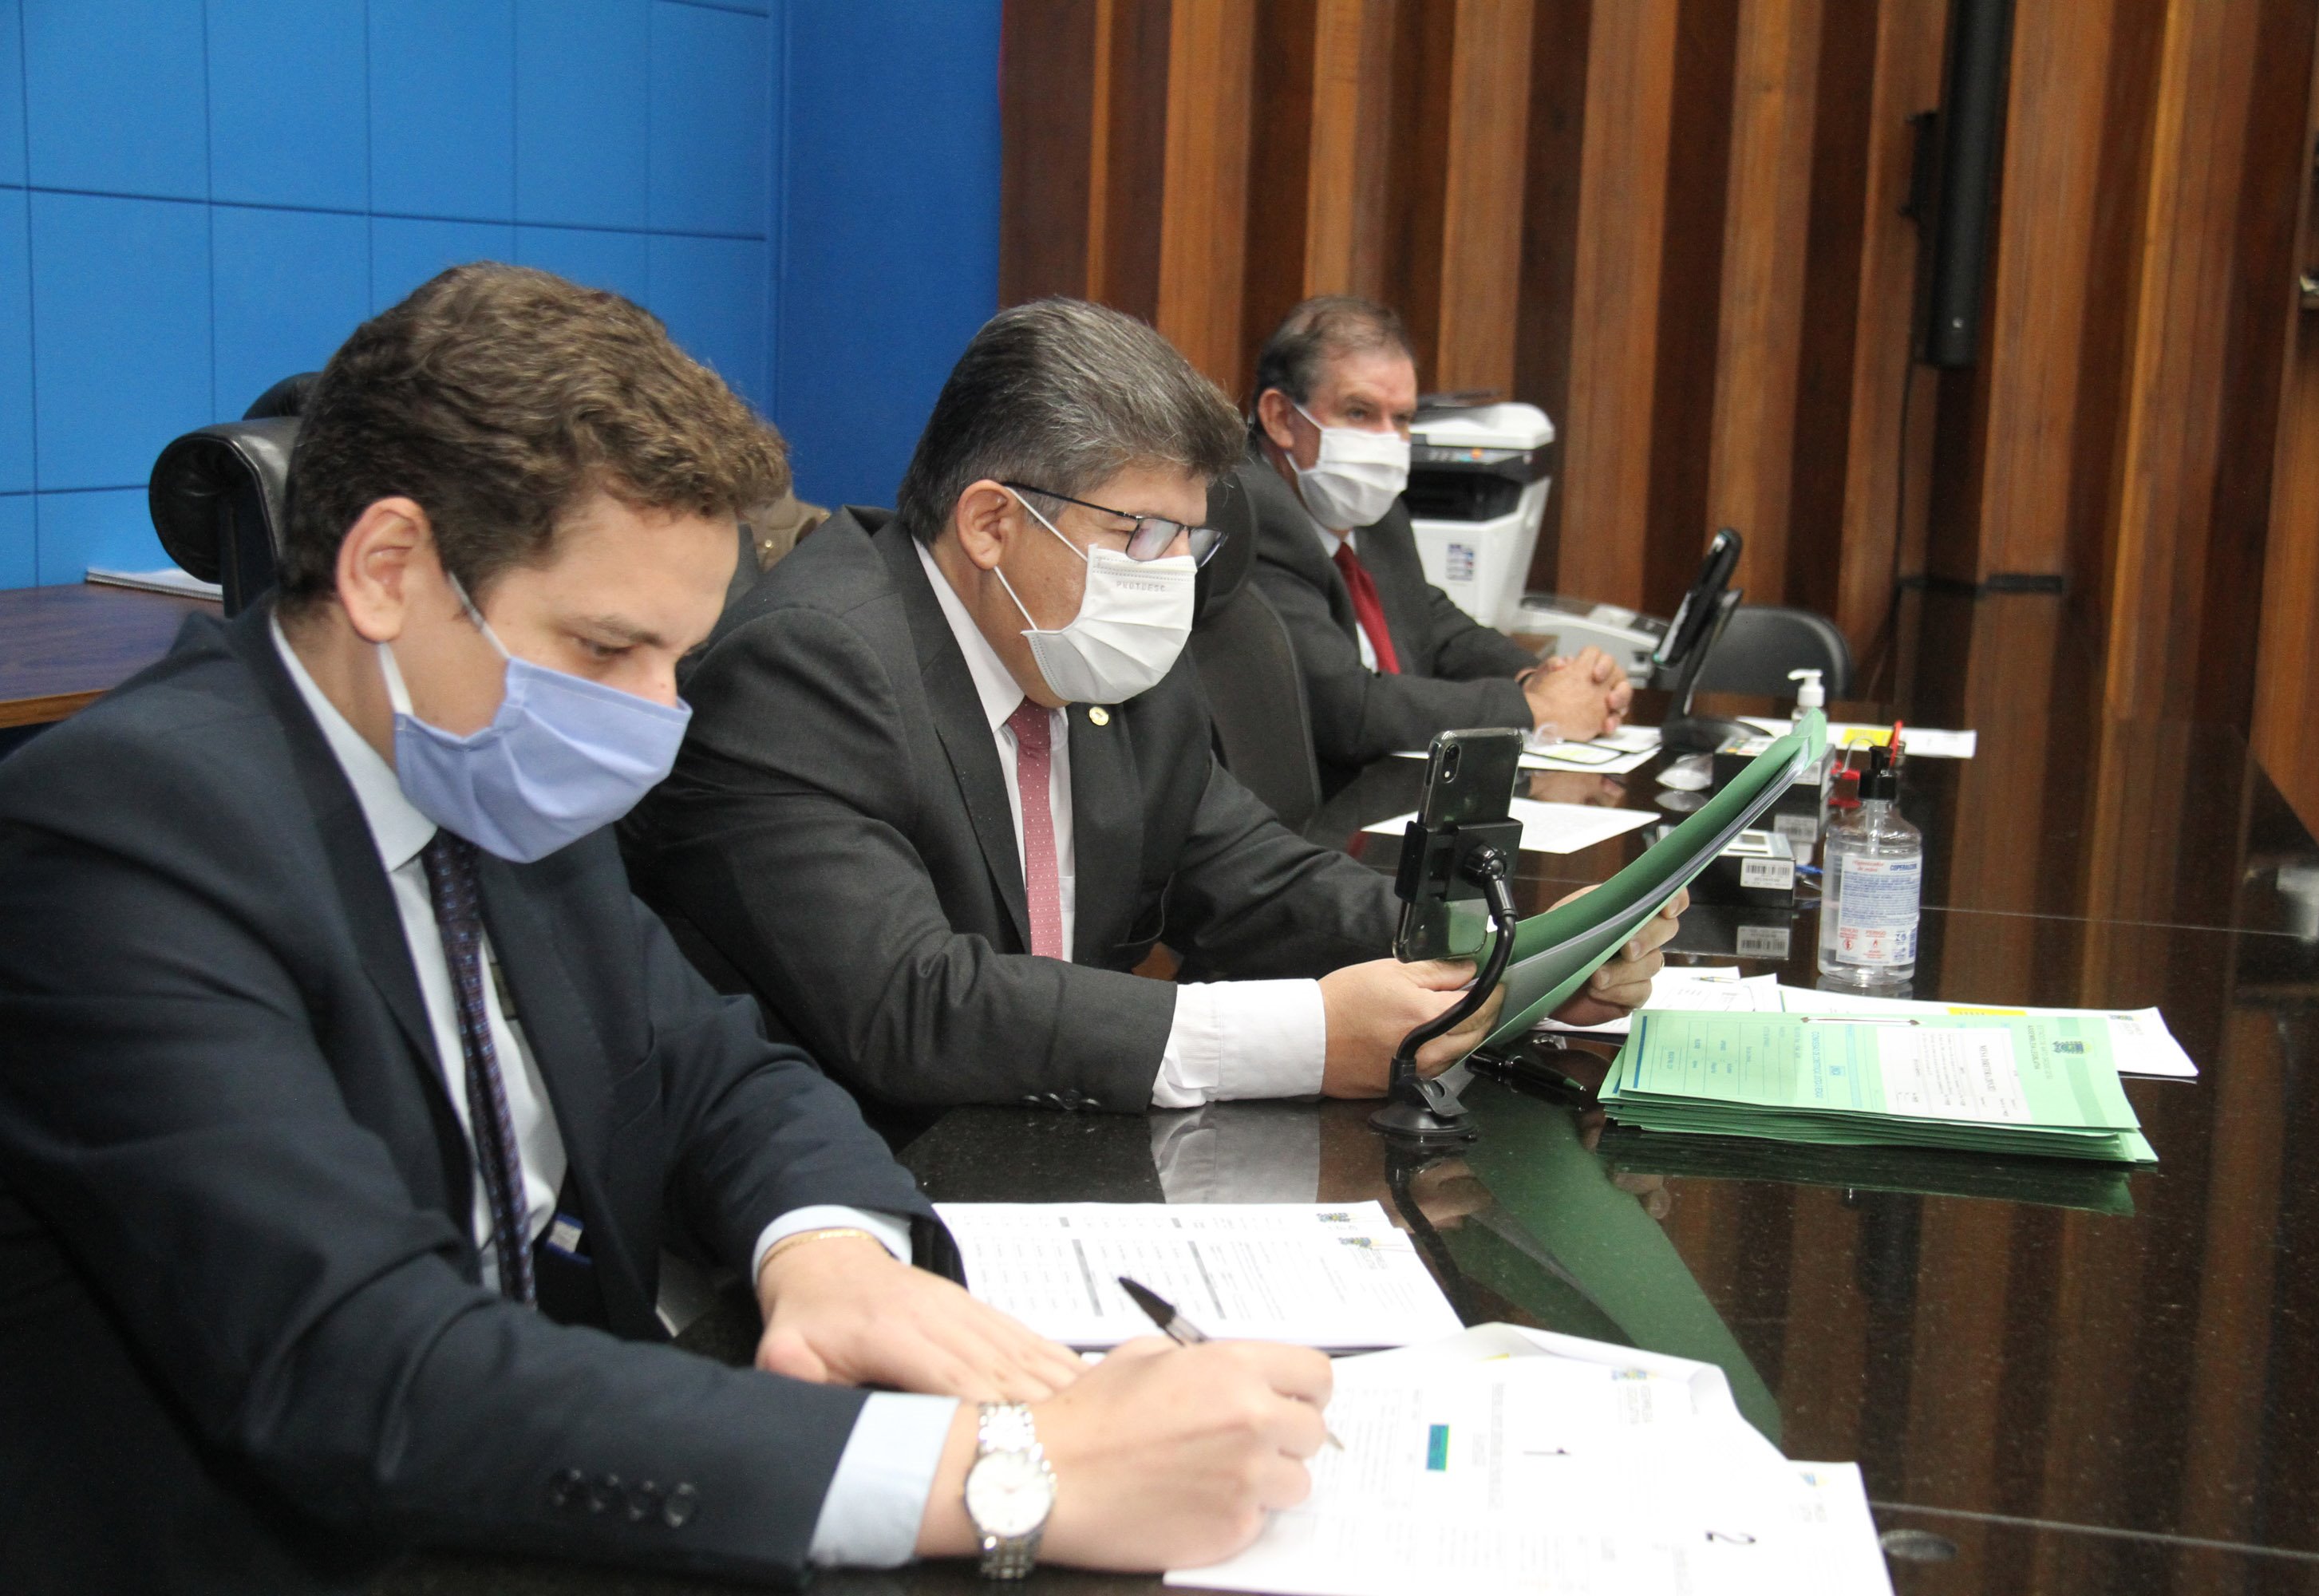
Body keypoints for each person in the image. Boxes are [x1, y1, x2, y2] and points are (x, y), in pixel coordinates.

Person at [0, 267, 1334, 1592]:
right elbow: (365, 1366)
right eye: (605, 649)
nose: (652, 718)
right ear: (389, 572)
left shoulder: (481, 752)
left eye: (674, 658)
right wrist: (998, 1471)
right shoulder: (120, 840)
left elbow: (720, 1069)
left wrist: (827, 1248)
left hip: (569, 1464)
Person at [621, 298, 1680, 1120]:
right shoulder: (814, 665)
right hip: (876, 1186)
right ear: (991, 523)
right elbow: (914, 1004)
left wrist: (1521, 960)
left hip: (1059, 1141)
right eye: (1139, 534)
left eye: (1186, 538)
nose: (1170, 575)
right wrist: (1305, 1034)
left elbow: (1258, 882)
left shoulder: (1092, 652)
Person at [1239, 295, 1634, 798]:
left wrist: (1539, 677)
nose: (1387, 442)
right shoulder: (1252, 519)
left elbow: (1431, 624)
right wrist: (1539, 710)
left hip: (1396, 796)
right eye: (1359, 412)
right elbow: (1348, 710)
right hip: (1310, 815)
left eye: (1402, 418)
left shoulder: (1375, 511)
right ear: (1279, 417)